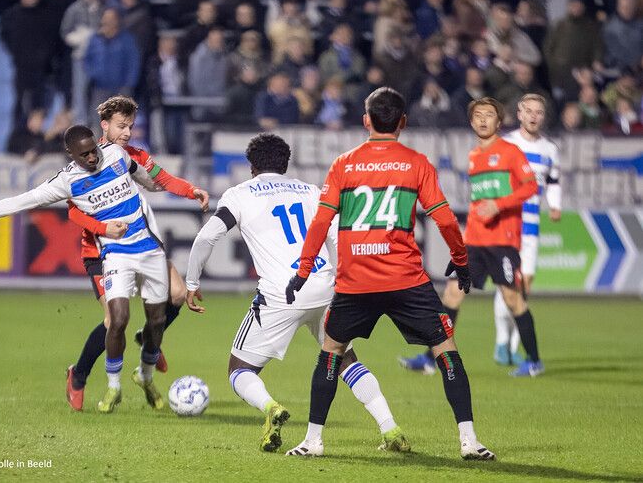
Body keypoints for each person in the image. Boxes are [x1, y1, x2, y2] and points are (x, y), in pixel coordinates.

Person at [284, 87, 495, 460]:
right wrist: (461, 261)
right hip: (407, 280)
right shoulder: (417, 163)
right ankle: (470, 442)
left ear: (366, 120)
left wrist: (303, 271)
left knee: (331, 351)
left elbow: (320, 222)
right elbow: (444, 218)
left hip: (356, 282)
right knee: (446, 349)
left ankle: (313, 441)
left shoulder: (344, 164)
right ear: (403, 122)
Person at [185, 133, 402, 454]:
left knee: (239, 369)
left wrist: (192, 282)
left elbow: (206, 237)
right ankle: (390, 428)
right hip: (326, 287)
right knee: (345, 359)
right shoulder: (312, 192)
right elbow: (338, 238)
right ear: (285, 164)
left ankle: (271, 407)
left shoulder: (240, 194)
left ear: (252, 167)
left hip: (280, 292)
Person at [0, 125, 179, 414]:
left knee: (157, 320)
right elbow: (22, 201)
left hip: (149, 249)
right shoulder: (66, 181)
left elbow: (143, 177)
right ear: (70, 155)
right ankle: (110, 385)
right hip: (113, 253)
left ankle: (144, 374)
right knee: (117, 319)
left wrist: (165, 186)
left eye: (94, 150)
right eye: (85, 155)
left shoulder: (115, 154)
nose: (93, 157)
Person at [64, 96, 209, 411]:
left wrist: (190, 190)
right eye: (121, 126)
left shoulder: (135, 156)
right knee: (112, 320)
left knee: (178, 293)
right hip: (101, 251)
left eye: (130, 126)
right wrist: (103, 230)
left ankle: (148, 338)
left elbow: (162, 179)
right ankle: (79, 374)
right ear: (104, 126)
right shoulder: (85, 161)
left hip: (141, 244)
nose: (127, 132)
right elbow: (73, 212)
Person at [400, 97, 543, 378]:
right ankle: (432, 358)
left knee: (513, 300)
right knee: (452, 294)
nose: (482, 119)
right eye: (477, 115)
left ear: (498, 122)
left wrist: (499, 205)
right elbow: (480, 202)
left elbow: (531, 188)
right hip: (475, 242)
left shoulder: (510, 152)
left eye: (489, 115)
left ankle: (534, 361)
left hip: (503, 242)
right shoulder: (475, 156)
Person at [493, 94, 561, 365]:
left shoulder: (550, 149)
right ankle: (502, 342)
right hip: (508, 225)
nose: (534, 116)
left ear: (543, 116)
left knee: (524, 285)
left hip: (531, 226)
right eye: (528, 111)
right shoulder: (507, 144)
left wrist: (555, 205)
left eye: (539, 112)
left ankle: (511, 345)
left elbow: (554, 180)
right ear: (519, 114)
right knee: (508, 284)